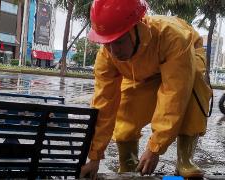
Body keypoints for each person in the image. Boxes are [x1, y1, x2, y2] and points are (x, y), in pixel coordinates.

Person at [80, 0, 213, 179]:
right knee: (126, 107)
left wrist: (154, 148)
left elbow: (175, 95)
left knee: (192, 88)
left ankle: (185, 159)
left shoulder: (173, 38)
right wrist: (94, 157)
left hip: (185, 56)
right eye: (106, 43)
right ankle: (128, 160)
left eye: (118, 41)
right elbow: (104, 104)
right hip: (143, 69)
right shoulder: (107, 56)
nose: (113, 50)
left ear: (137, 28)